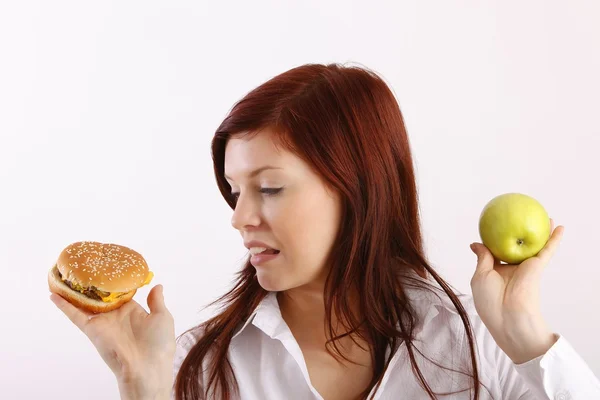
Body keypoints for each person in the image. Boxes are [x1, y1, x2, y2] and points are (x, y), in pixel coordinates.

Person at [50, 63, 600, 400]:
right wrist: (141, 389)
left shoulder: (481, 344)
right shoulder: (194, 369)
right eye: (235, 190)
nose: (239, 217)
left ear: (356, 188)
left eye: (269, 188)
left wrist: (526, 334)